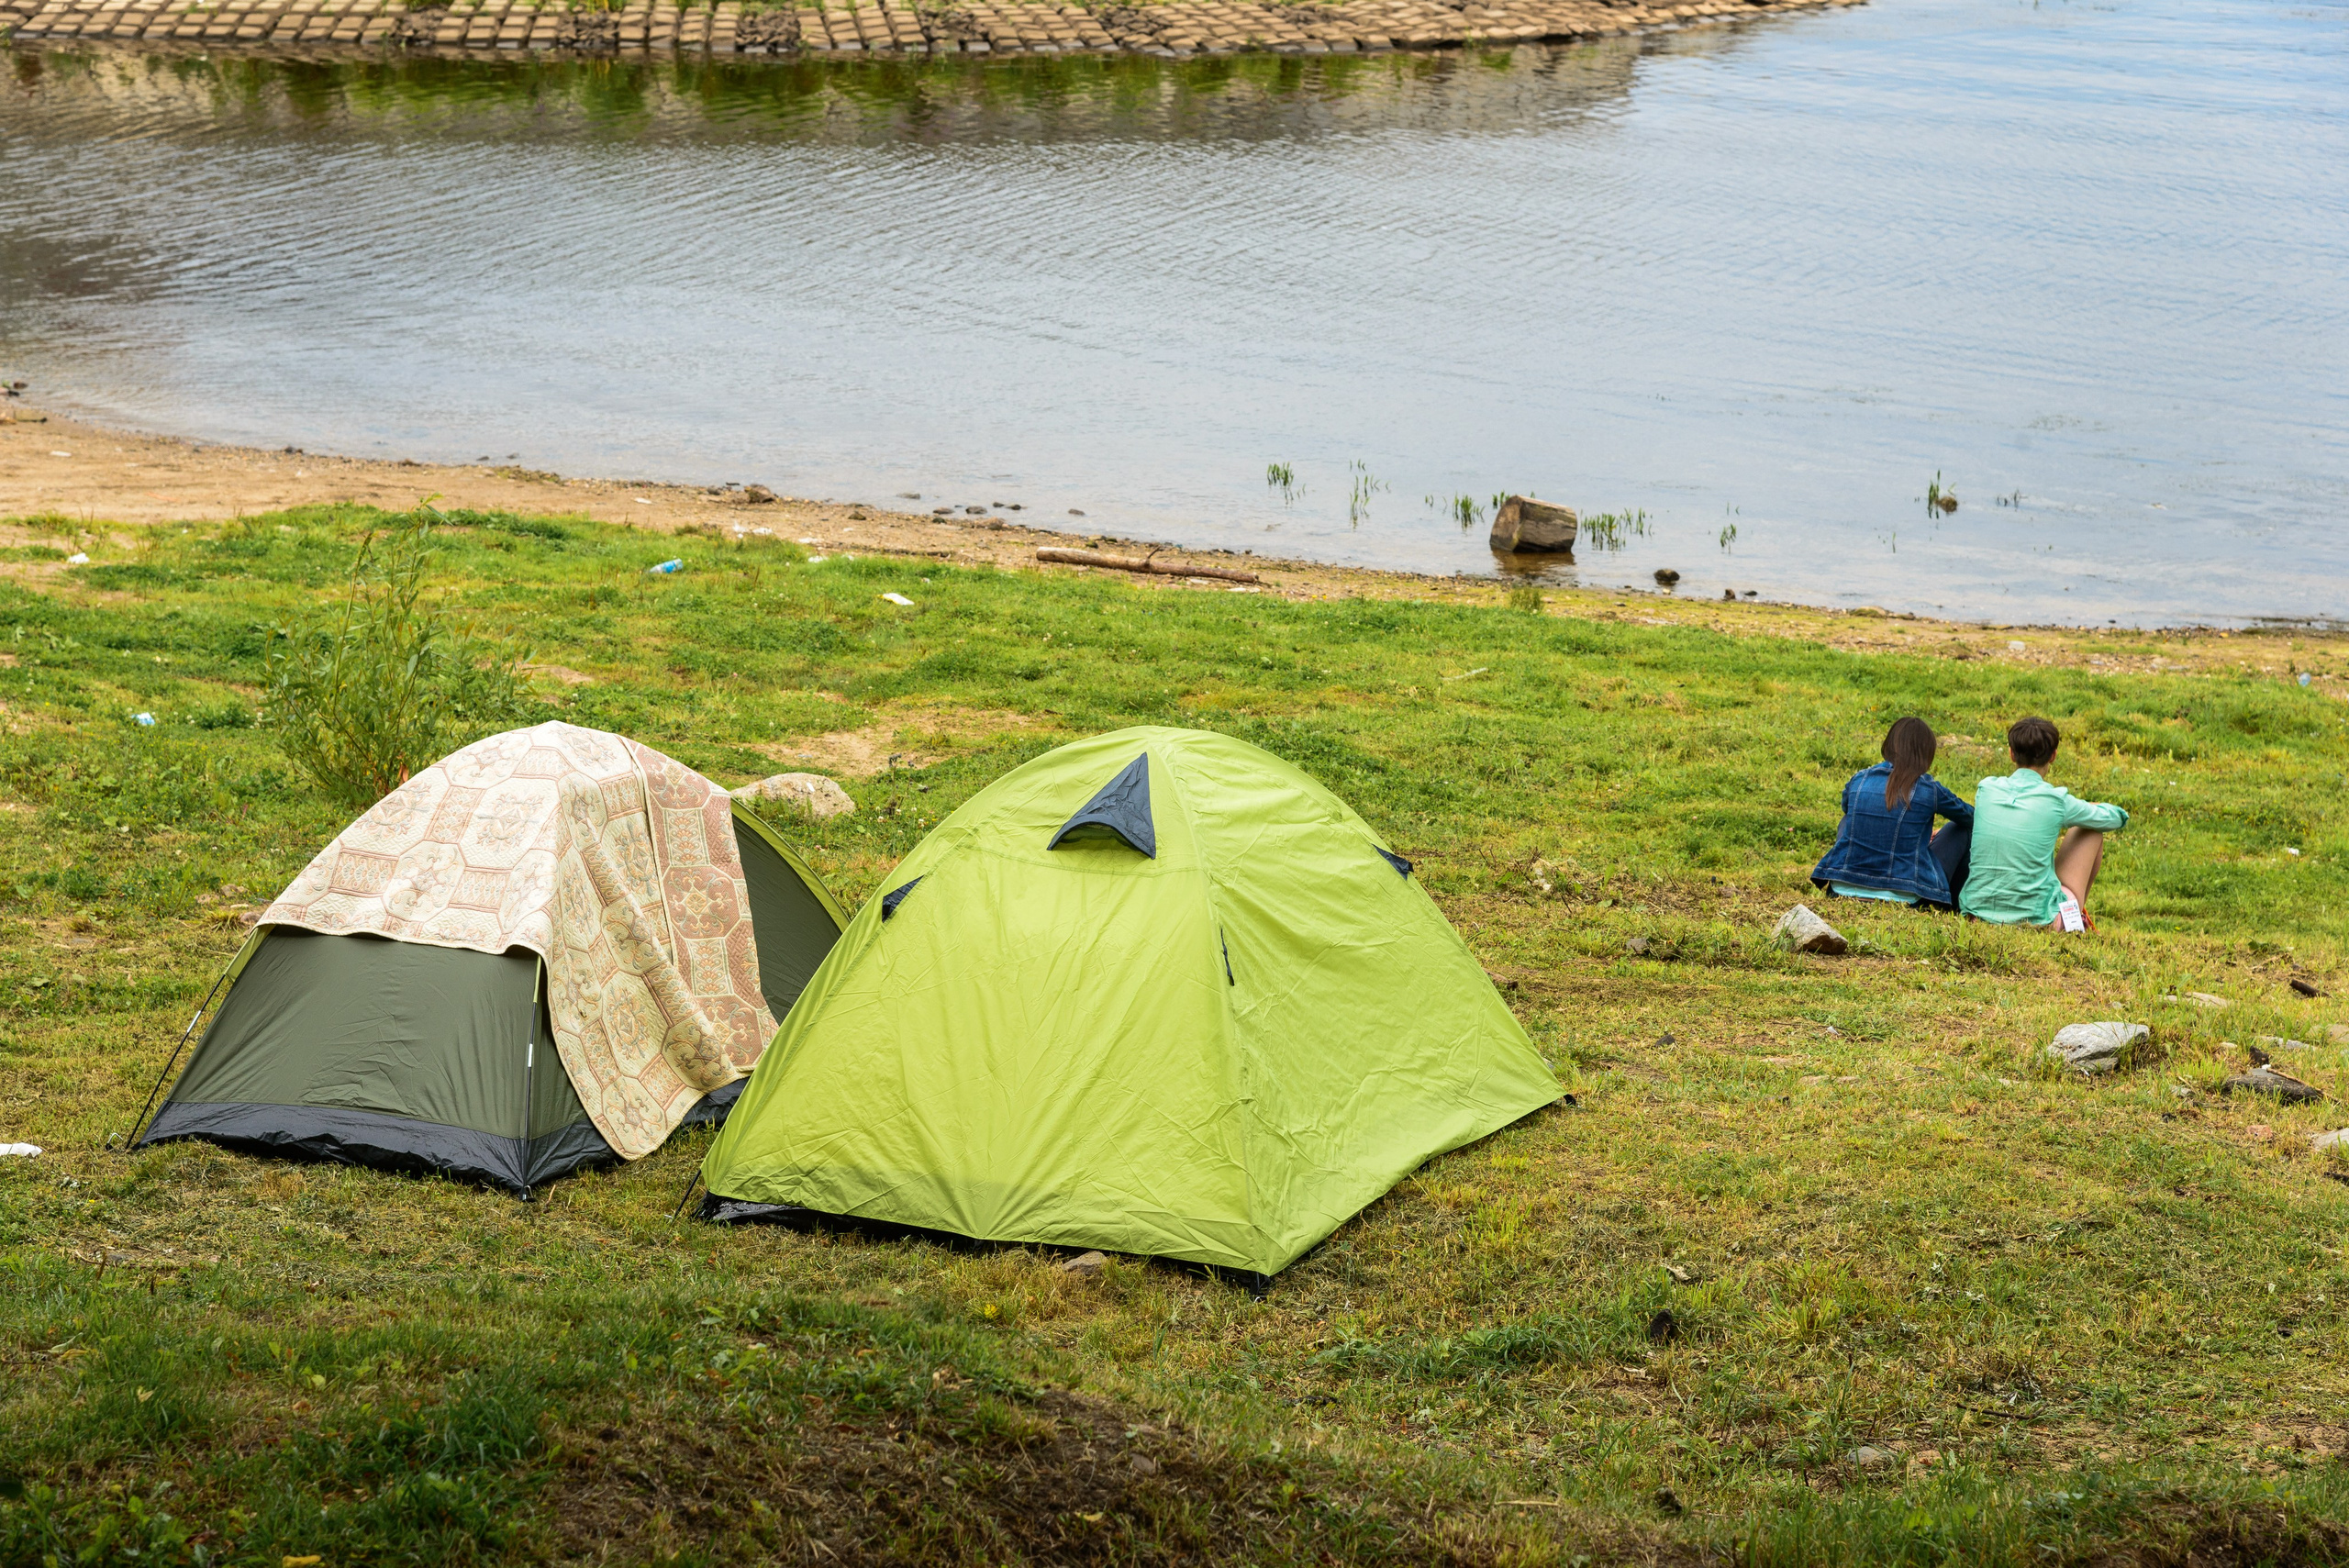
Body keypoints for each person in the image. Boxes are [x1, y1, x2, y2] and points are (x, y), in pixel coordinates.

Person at [1958, 716, 2128, 931]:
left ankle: (2072, 920)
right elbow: (2114, 819)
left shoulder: (1986, 789)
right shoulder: (2056, 801)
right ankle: (2073, 921)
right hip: (2037, 920)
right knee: (2092, 830)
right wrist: (2092, 806)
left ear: (2011, 753)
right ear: (2053, 756)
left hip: (1977, 915)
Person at [1809, 717, 1975, 910]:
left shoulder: (1860, 779)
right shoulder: (1930, 789)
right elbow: (1971, 817)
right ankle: (1952, 908)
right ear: (1926, 754)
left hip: (1842, 888)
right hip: (1906, 894)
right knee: (1960, 830)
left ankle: (1848, 876)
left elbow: (1847, 808)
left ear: (1888, 744)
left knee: (1848, 819)